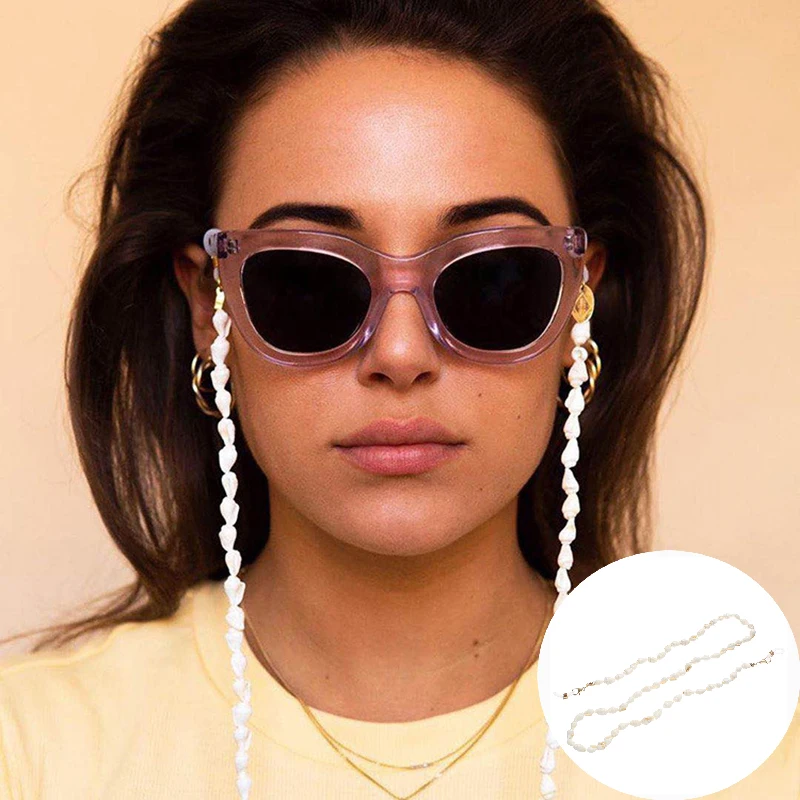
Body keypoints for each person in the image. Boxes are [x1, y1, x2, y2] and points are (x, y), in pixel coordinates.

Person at [2, 0, 797, 797]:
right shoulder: (32, 751)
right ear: (209, 309)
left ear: (576, 304)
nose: (401, 354)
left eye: (491, 278)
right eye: (308, 280)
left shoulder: (756, 761)